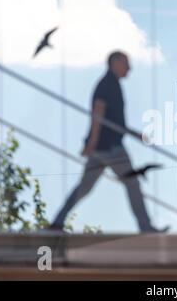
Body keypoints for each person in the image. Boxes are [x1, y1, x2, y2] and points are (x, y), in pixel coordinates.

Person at [50, 51, 168, 233]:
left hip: (102, 148)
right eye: (126, 63)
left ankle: (57, 223)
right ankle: (146, 228)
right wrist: (92, 142)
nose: (129, 68)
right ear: (114, 62)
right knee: (132, 183)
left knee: (84, 188)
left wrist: (133, 134)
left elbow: (113, 122)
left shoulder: (111, 84)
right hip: (111, 148)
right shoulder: (107, 85)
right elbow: (98, 114)